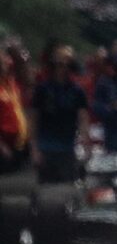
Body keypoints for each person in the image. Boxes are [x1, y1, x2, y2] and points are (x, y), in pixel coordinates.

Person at [30, 45, 89, 183]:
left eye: (67, 65)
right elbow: (33, 120)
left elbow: (83, 119)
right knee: (46, 188)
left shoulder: (77, 91)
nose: (63, 68)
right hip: (46, 148)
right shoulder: (42, 89)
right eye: (60, 64)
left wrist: (85, 144)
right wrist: (34, 149)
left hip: (68, 148)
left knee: (68, 186)